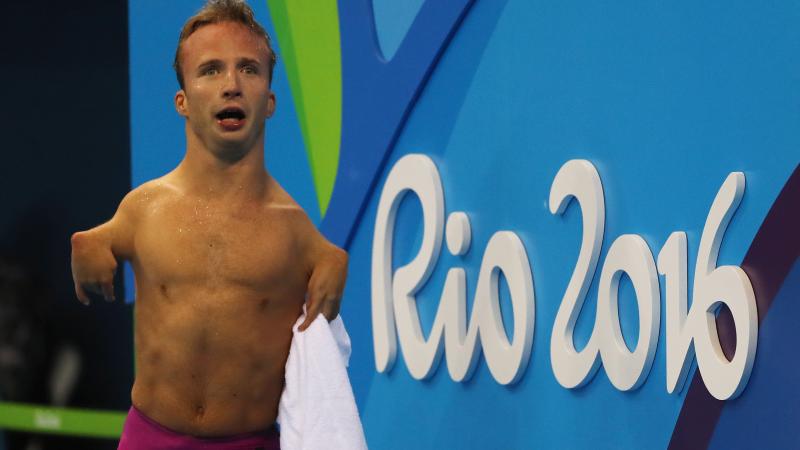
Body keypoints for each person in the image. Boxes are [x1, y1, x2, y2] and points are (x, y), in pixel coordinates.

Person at [70, 1, 348, 448]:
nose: (232, 85)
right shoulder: (143, 209)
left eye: (250, 70)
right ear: (182, 101)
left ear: (270, 101)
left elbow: (330, 257)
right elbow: (93, 240)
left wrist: (337, 263)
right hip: (149, 438)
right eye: (211, 70)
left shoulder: (297, 234)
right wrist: (86, 246)